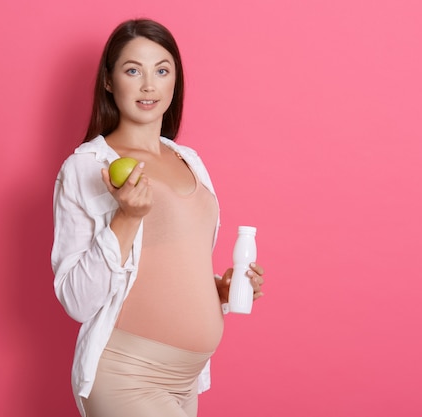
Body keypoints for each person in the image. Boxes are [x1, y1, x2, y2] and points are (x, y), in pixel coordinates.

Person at [51, 18, 266, 417]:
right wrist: (127, 218)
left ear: (175, 81)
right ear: (109, 81)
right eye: (133, 70)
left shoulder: (190, 160)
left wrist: (218, 289)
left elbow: (167, 263)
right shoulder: (86, 167)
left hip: (187, 381)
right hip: (127, 375)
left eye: (162, 70)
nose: (149, 85)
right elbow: (76, 300)